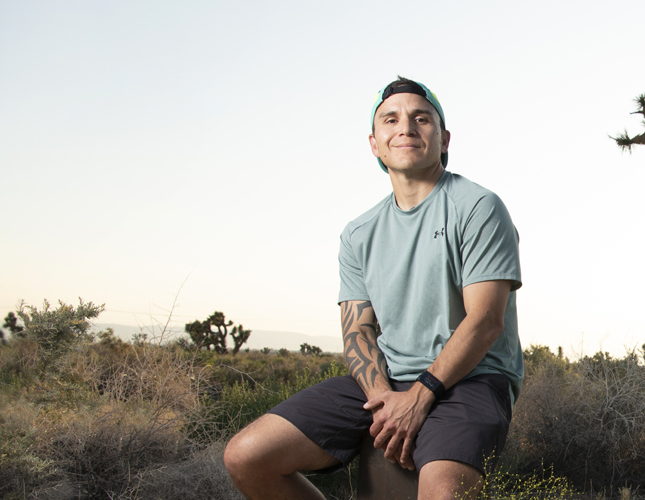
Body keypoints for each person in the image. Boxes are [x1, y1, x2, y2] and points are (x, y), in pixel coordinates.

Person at [222, 77, 524, 500]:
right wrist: (384, 400)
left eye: (422, 118)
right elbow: (357, 331)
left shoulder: (477, 207)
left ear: (444, 139)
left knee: (443, 495)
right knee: (247, 456)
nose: (406, 128)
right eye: (391, 119)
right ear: (374, 143)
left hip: (472, 380)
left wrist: (418, 398)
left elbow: (486, 320)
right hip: (387, 380)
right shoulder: (359, 233)